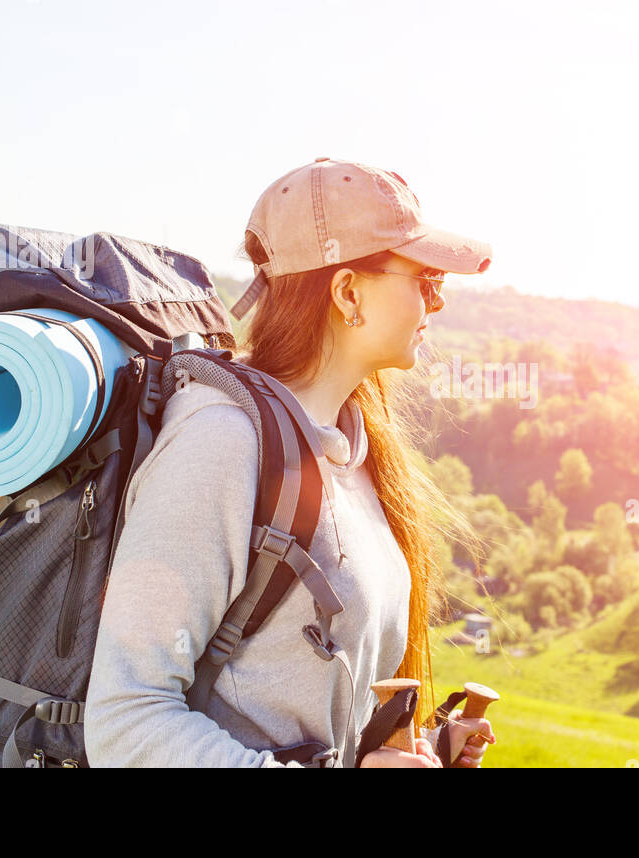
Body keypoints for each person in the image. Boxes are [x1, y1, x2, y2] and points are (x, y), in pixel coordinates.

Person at [84, 157, 497, 768]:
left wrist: (421, 748)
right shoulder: (219, 443)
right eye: (427, 280)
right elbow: (125, 722)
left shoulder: (355, 451)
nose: (436, 303)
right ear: (348, 292)